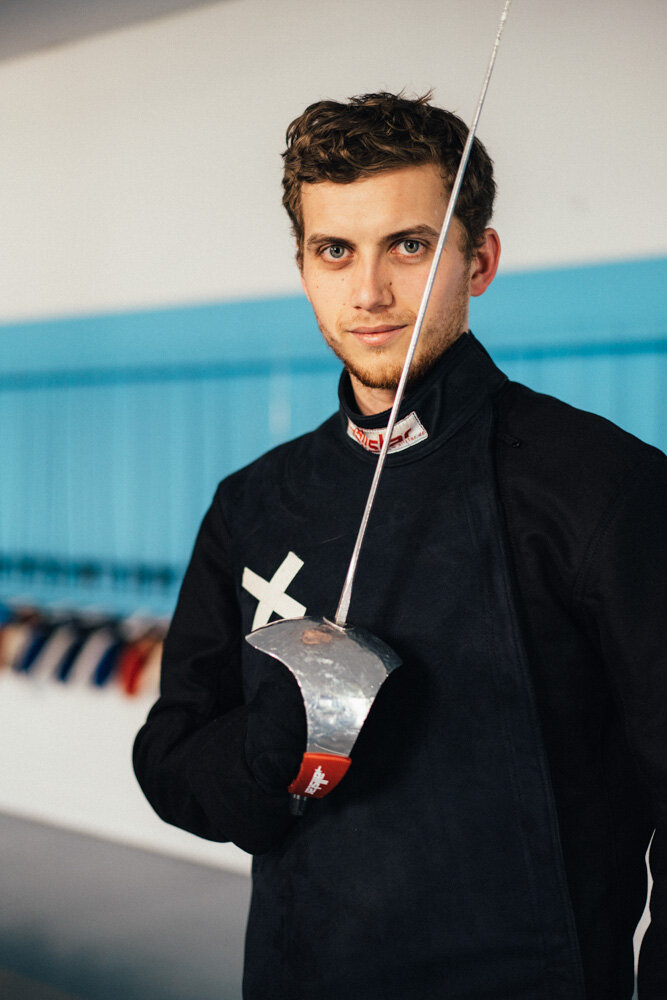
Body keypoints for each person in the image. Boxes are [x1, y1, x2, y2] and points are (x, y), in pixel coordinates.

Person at [133, 93, 666, 999]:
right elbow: (173, 757)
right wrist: (282, 750)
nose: (369, 292)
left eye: (408, 246)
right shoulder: (253, 503)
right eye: (333, 250)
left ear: (479, 260)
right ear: (302, 265)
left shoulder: (601, 486)